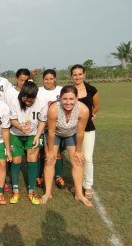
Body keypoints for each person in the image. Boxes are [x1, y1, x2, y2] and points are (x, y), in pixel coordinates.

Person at [40, 85, 92, 207]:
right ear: (60, 98)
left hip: (71, 134)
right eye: (65, 99)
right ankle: (47, 193)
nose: (68, 102)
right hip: (55, 134)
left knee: (77, 161)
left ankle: (79, 194)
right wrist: (51, 151)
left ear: (77, 99)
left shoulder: (83, 110)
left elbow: (80, 132)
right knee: (50, 161)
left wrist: (79, 151)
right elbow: (51, 132)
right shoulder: (53, 109)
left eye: (71, 99)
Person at [9, 81, 45, 205]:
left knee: (32, 159)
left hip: (32, 135)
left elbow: (42, 121)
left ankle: (31, 191)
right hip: (16, 134)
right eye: (26, 99)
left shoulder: (42, 102)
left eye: (31, 100)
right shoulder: (14, 101)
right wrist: (21, 128)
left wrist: (38, 135)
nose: (28, 102)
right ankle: (15, 191)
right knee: (16, 160)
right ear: (22, 94)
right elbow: (12, 119)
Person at [71, 64, 99, 199]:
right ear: (72, 76)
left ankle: (87, 186)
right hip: (72, 130)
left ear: (84, 74)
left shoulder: (91, 89)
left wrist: (92, 115)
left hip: (88, 129)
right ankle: (78, 183)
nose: (77, 77)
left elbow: (96, 106)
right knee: (77, 158)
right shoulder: (70, 91)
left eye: (80, 74)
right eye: (75, 74)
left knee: (87, 158)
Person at [36, 69, 65, 189]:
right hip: (41, 127)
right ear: (43, 79)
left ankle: (58, 176)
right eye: (46, 79)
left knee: (56, 152)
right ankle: (39, 176)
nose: (48, 81)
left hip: (58, 128)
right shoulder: (38, 91)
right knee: (40, 152)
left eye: (51, 79)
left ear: (55, 79)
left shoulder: (61, 90)